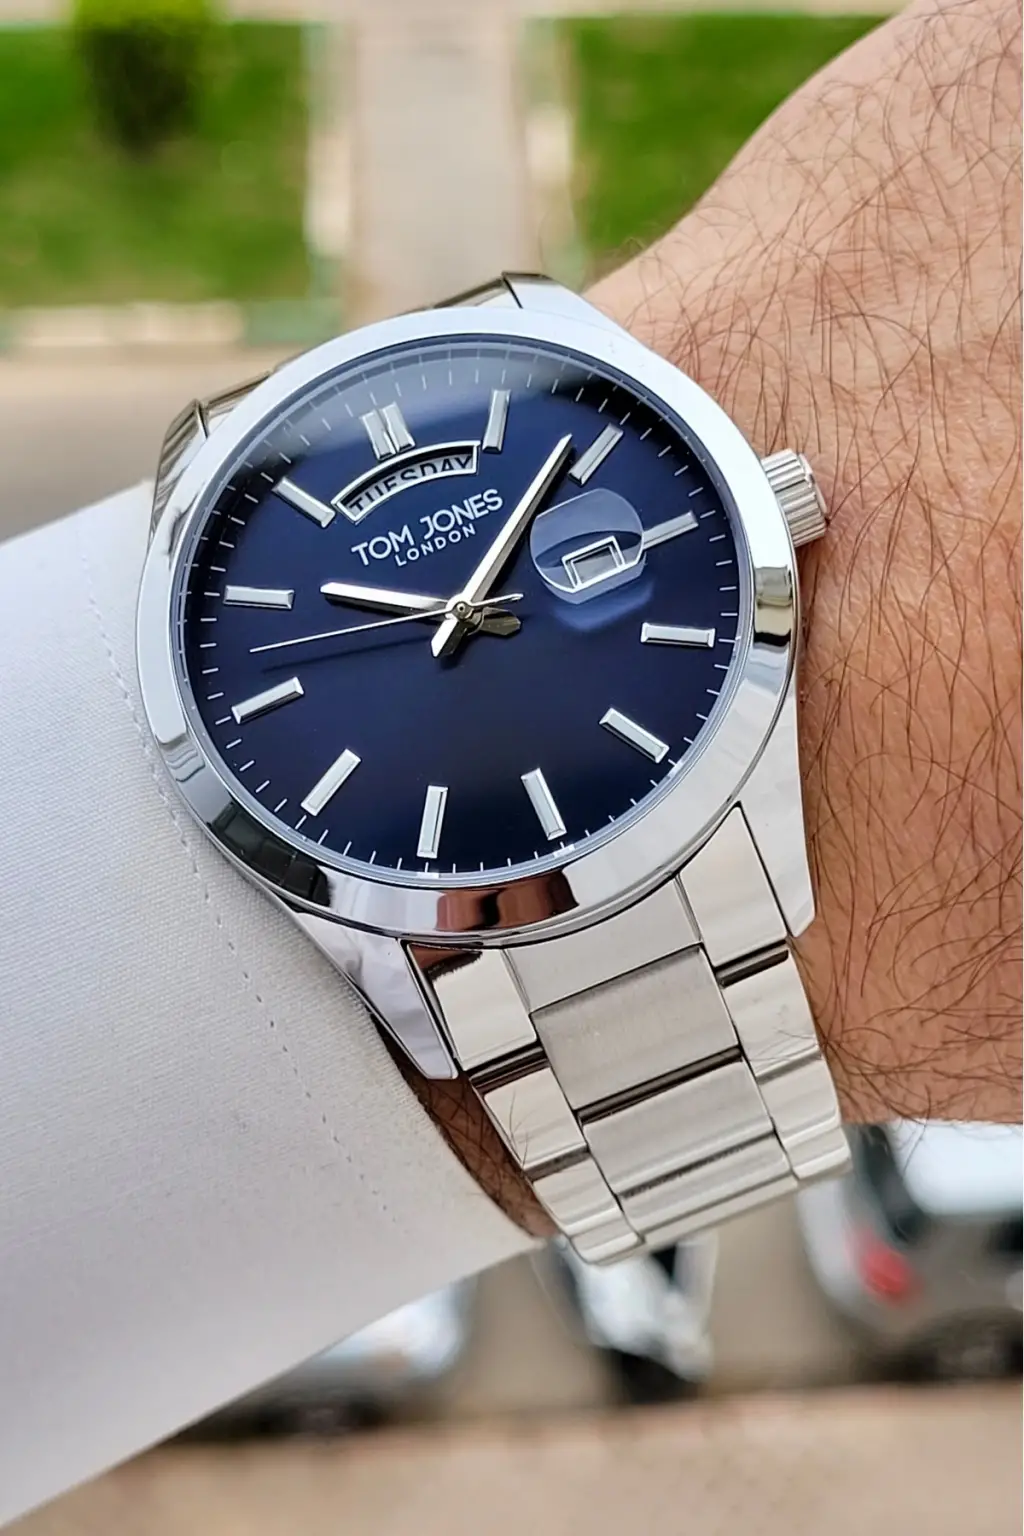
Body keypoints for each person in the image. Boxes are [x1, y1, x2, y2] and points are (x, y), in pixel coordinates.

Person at [0, 0, 1018, 1519]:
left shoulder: (700, 524)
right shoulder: (246, 685)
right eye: (443, 614)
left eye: (466, 604)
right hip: (433, 873)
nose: (461, 617)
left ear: (773, 505)